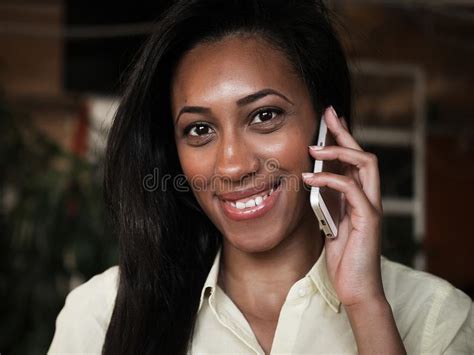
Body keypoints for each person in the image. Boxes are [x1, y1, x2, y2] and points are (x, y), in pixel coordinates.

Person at [48, 0, 473, 354]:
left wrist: (366, 305)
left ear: (329, 127)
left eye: (264, 116)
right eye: (199, 129)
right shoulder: (100, 315)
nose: (232, 166)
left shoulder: (436, 317)